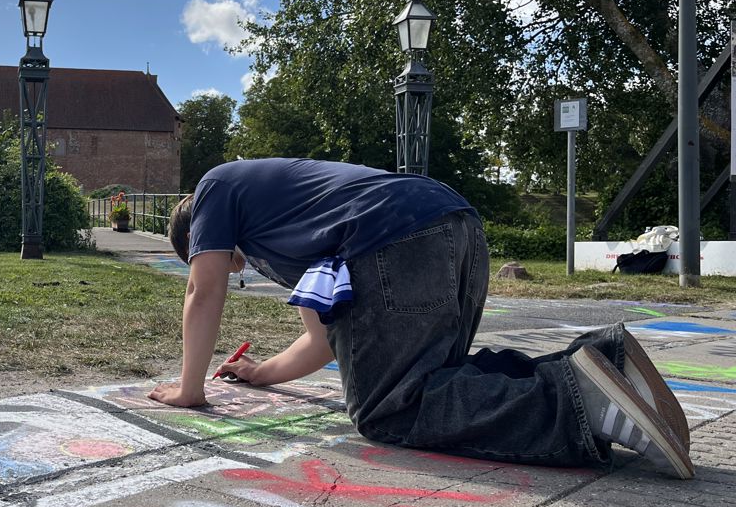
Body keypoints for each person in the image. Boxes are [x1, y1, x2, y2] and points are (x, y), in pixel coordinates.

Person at [148, 158, 693, 479]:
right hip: (454, 227)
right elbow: (323, 341)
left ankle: (576, 398)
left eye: (230, 258)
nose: (240, 268)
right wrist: (260, 372)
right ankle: (603, 363)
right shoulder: (296, 217)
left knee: (390, 411)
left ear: (197, 235)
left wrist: (189, 388)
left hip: (391, 237)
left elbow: (202, 290)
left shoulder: (215, 188)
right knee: (430, 383)